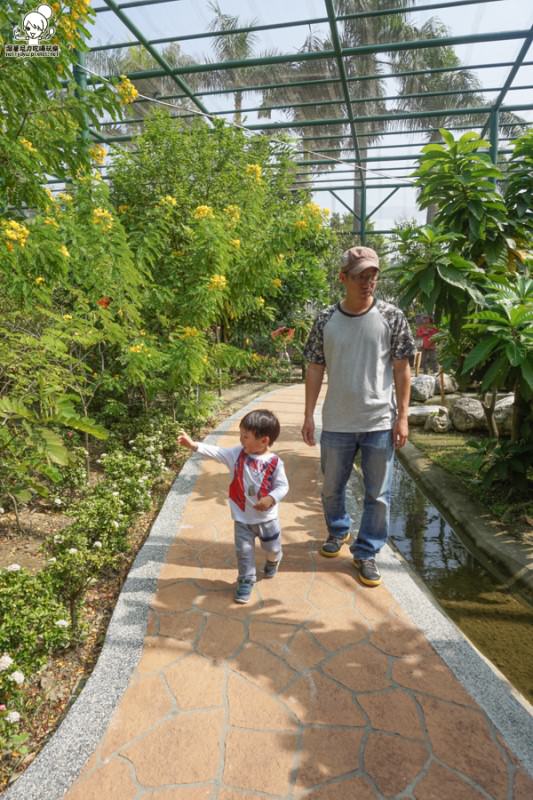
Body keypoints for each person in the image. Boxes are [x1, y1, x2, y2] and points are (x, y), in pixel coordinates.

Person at [301, 246, 415, 587]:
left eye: (373, 275)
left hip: (379, 421)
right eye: (360, 276)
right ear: (343, 278)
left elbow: (402, 370)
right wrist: (308, 415)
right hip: (336, 421)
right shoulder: (325, 319)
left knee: (378, 494)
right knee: (332, 488)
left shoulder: (392, 316)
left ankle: (366, 551)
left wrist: (403, 416)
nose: (368, 282)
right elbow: (315, 367)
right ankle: (338, 532)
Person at [177, 409, 288, 604]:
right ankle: (246, 580)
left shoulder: (275, 462)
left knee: (272, 547)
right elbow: (217, 452)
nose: (241, 439)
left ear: (264, 440)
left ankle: (274, 559)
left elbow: (282, 486)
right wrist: (194, 446)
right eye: (241, 434)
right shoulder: (236, 454)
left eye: (246, 436)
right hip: (242, 519)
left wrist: (271, 498)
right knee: (244, 552)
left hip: (267, 519)